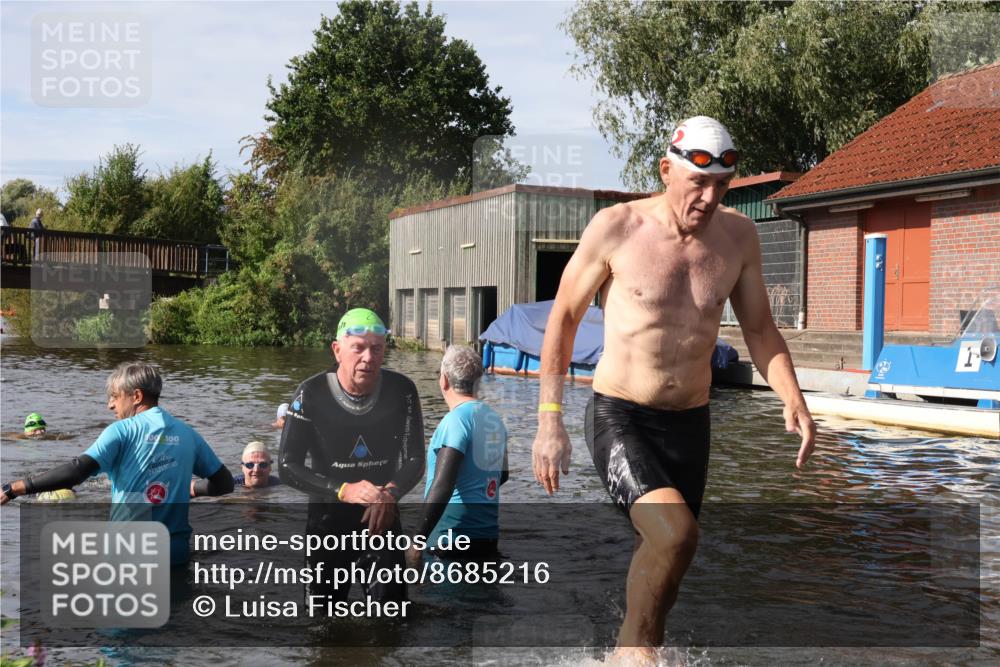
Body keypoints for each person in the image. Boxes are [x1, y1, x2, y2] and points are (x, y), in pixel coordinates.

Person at [531, 116, 817, 663]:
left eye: (722, 187)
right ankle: (633, 655)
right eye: (698, 183)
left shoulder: (739, 237)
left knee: (668, 555)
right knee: (676, 536)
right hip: (621, 416)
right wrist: (550, 420)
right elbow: (563, 319)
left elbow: (759, 329)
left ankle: (635, 653)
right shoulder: (617, 227)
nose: (709, 198)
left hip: (691, 423)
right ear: (667, 170)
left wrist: (792, 396)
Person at [1, 362, 234, 564]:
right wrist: (192, 488)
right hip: (176, 553)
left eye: (115, 396)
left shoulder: (121, 431)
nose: (110, 405)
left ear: (137, 396)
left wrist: (16, 488)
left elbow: (78, 471)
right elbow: (224, 484)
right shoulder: (188, 434)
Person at [279, 308, 424, 605]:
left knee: (391, 622)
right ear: (337, 350)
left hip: (381, 521)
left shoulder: (402, 390)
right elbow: (287, 466)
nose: (368, 358)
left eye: (376, 349)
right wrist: (344, 490)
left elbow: (415, 460)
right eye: (358, 348)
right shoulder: (310, 394)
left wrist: (389, 495)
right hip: (327, 526)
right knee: (323, 627)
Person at [406, 346, 508, 567]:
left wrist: (417, 540)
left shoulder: (456, 421)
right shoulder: (495, 421)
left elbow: (443, 484)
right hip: (487, 537)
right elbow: (503, 474)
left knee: (442, 601)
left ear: (444, 380)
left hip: (450, 540)